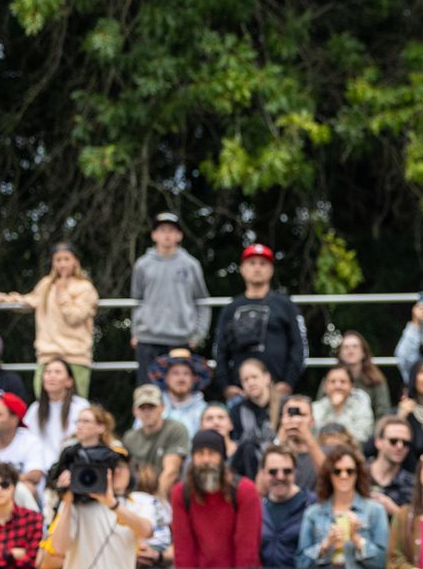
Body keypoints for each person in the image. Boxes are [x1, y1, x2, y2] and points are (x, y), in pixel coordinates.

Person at [0, 242, 101, 397]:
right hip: (47, 355)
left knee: (75, 409)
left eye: (66, 259)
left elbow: (75, 317)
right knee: (44, 407)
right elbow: (28, 301)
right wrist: (2, 299)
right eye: (58, 260)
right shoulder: (46, 285)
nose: (62, 264)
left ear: (75, 262)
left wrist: (62, 293)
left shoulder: (85, 288)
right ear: (53, 263)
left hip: (75, 356)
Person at [211, 242, 308, 396]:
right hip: (240, 392)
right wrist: (226, 386)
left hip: (278, 390)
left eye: (263, 263)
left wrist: (288, 383)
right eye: (252, 263)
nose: (257, 268)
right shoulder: (230, 309)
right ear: (242, 269)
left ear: (270, 270)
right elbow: (220, 350)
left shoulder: (286, 305)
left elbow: (299, 346)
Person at [296, 446, 389, 569]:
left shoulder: (374, 510)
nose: (344, 475)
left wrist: (357, 540)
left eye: (350, 471)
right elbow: (301, 563)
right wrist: (325, 544)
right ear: (329, 475)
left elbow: (382, 562)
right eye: (337, 471)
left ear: (358, 473)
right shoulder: (313, 513)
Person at [130, 211, 211, 385]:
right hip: (148, 340)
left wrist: (198, 335)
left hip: (181, 340)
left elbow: (203, 302)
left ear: (179, 235)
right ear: (154, 235)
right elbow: (136, 301)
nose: (167, 234)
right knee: (148, 395)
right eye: (162, 230)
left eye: (172, 230)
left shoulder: (191, 265)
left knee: (179, 393)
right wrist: (136, 332)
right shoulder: (142, 264)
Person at [169, 430, 260, 569]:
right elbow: (183, 548)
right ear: (192, 459)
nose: (206, 460)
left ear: (222, 458)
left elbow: (247, 547)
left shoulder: (245, 490)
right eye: (200, 454)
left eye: (211, 453)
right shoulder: (181, 493)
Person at [123, 384, 190, 498]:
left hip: (168, 495)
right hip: (137, 495)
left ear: (162, 407)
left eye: (151, 407)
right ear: (135, 411)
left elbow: (171, 471)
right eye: (142, 408)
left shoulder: (175, 429)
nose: (147, 412)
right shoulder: (129, 437)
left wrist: (156, 502)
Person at [0, 391, 44, 487]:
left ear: (15, 419)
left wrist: (2, 483)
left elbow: (35, 475)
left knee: (28, 487)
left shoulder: (30, 441)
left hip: (18, 496)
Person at [259, 445, 312, 568]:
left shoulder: (310, 505)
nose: (280, 477)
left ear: (295, 472)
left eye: (287, 471)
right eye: (273, 472)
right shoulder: (258, 509)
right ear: (263, 473)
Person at [313, 365, 374, 446]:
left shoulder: (361, 407)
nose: (338, 386)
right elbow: (313, 435)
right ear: (325, 386)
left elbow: (363, 437)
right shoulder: (315, 407)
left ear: (352, 386)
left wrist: (339, 409)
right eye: (332, 381)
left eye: (343, 381)